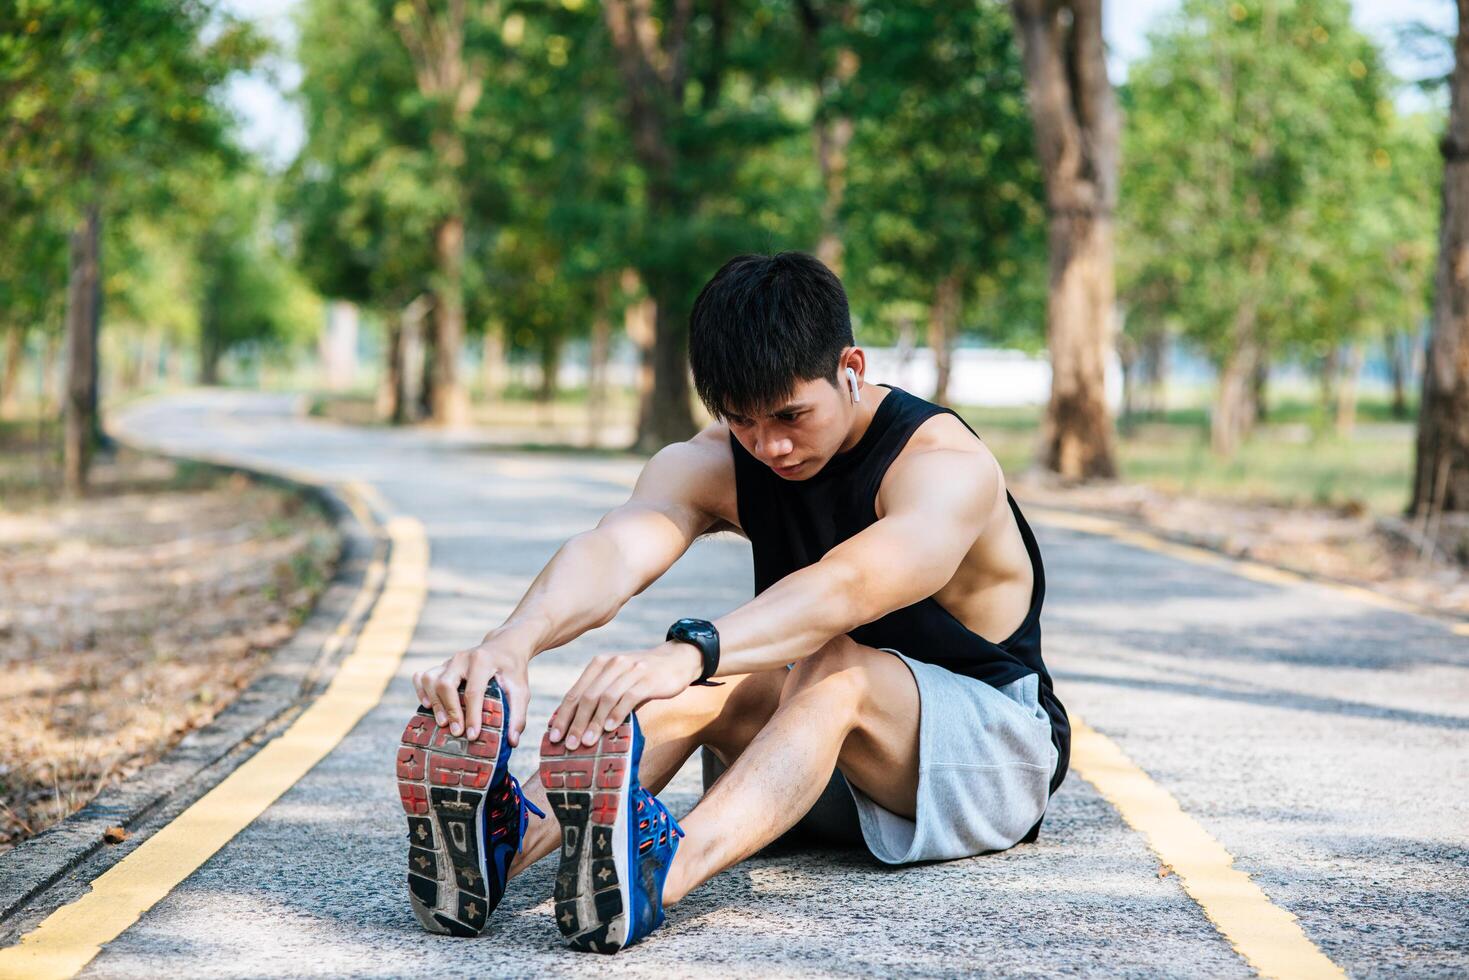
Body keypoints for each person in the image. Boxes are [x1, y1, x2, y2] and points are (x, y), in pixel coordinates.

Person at [394, 250, 1070, 952]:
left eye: (789, 414)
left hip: (990, 764)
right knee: (657, 689)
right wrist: (514, 640)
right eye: (741, 420)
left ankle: (658, 876)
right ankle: (506, 839)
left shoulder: (942, 465)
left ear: (852, 368)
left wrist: (692, 651)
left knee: (826, 663)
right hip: (806, 769)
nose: (769, 445)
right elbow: (614, 549)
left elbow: (848, 586)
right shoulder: (718, 459)